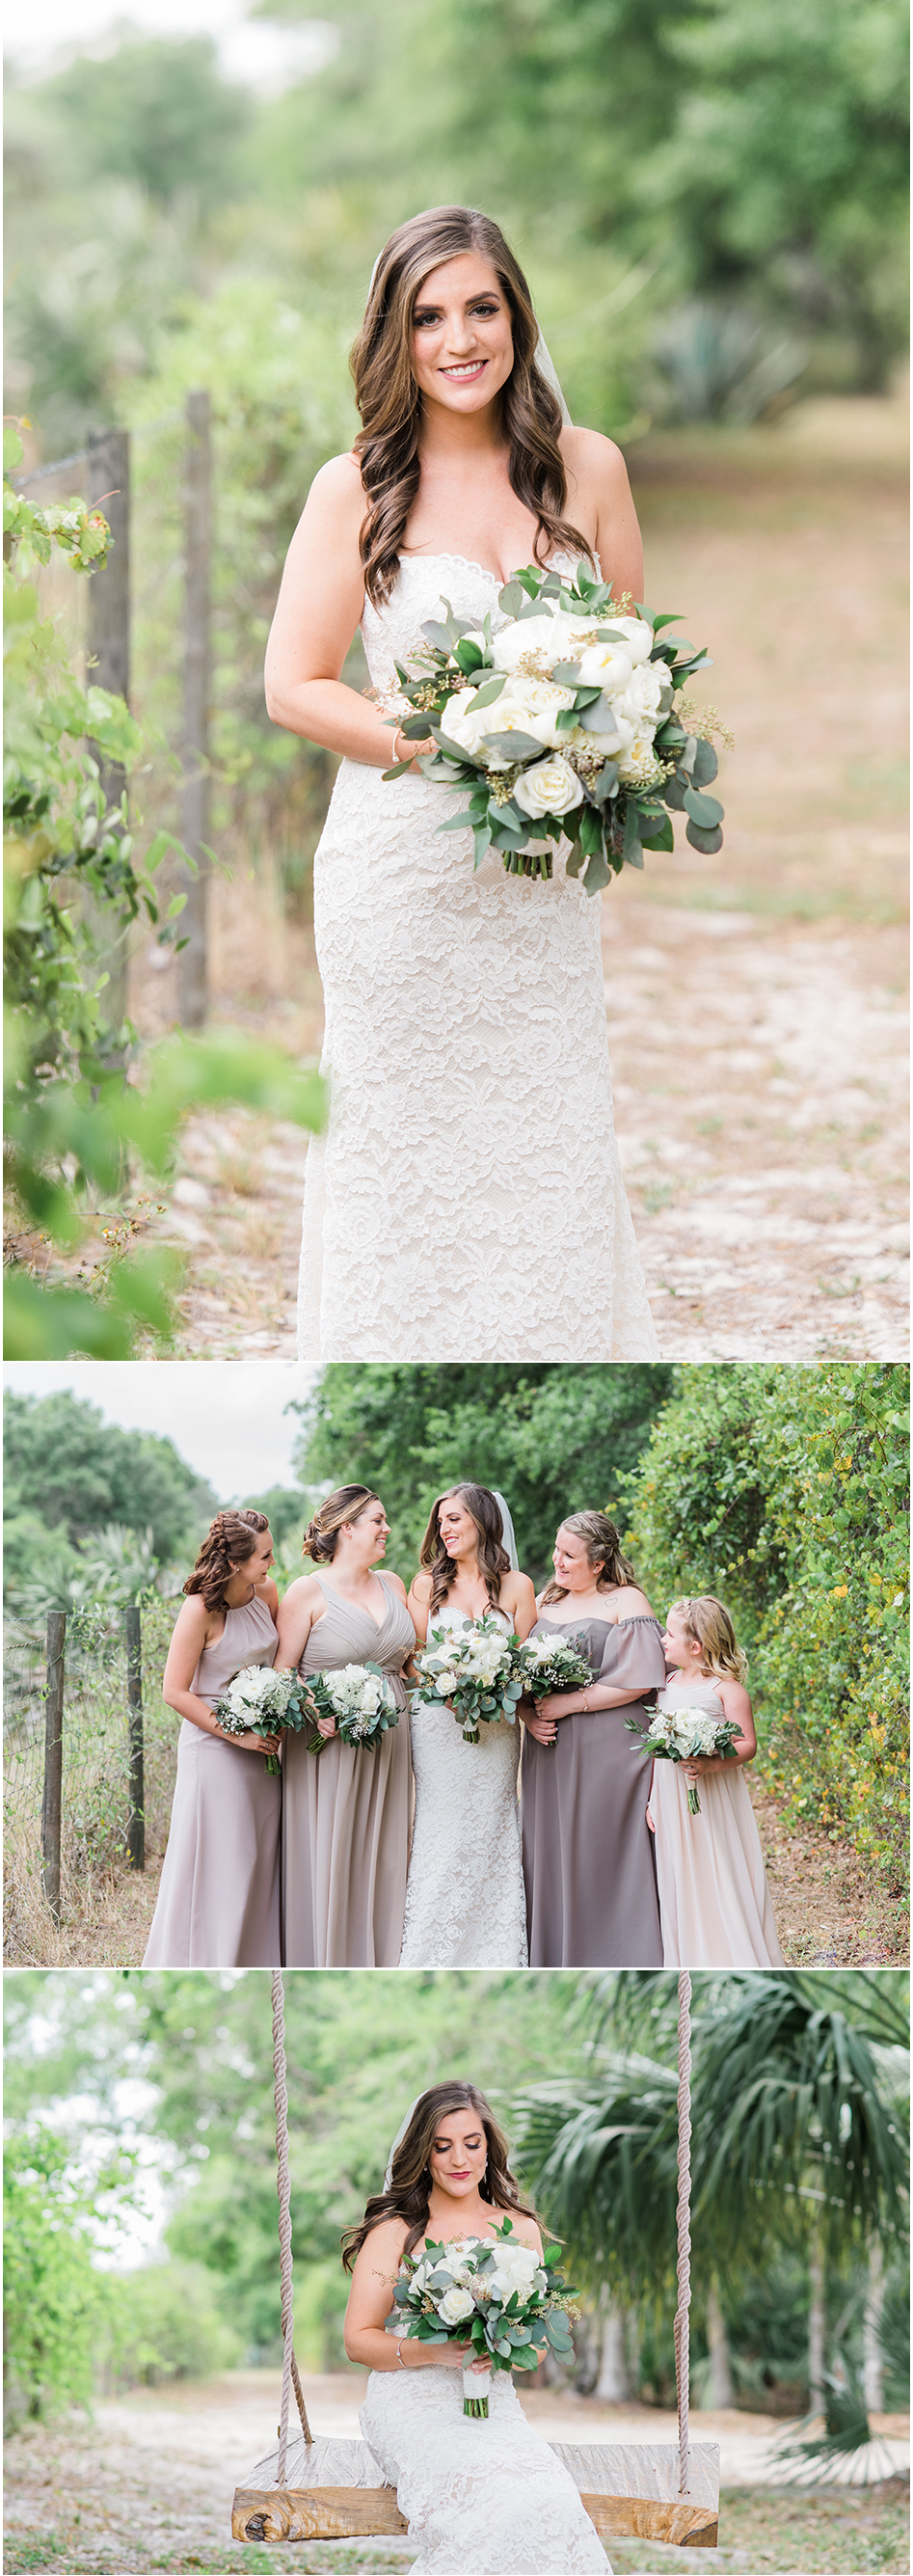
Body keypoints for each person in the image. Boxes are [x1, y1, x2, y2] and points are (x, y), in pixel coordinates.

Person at [264, 203, 658, 1365]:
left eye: (479, 308)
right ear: (395, 335)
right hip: (400, 871)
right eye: (426, 316)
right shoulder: (356, 489)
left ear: (515, 315)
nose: (457, 339)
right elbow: (294, 684)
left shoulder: (588, 469)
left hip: (536, 876)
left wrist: (592, 746)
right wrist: (433, 734)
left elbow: (629, 657)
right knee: (402, 1137)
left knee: (545, 1126)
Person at [343, 2081, 607, 2574]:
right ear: (423, 2154)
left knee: (550, 2500)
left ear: (489, 2148)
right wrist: (435, 2352)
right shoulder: (396, 2230)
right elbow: (358, 2340)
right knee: (494, 2508)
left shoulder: (520, 2230)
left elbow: (538, 2349)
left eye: (472, 2143)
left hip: (495, 2410)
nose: (458, 2159)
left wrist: (501, 2343)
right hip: (410, 2407)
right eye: (442, 2146)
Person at [276, 1486, 415, 1966]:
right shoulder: (306, 1592)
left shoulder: (395, 1584)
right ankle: (328, 1952)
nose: (386, 1529)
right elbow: (283, 1672)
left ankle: (380, 1956)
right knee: (333, 1854)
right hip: (329, 1743)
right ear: (347, 1528)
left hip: (392, 1741)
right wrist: (317, 1707)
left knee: (386, 1854)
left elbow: (408, 1663)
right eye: (377, 1520)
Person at [521, 1510, 666, 1966]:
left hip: (610, 1749)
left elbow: (640, 1680)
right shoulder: (546, 1600)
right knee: (554, 1853)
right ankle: (561, 1952)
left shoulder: (625, 1601)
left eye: (569, 1555)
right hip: (549, 1752)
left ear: (599, 1562)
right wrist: (528, 1715)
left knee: (601, 1850)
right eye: (557, 1549)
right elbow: (516, 1674)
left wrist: (570, 1703)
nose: (557, 1560)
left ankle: (619, 1949)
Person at [401, 1485, 536, 1967]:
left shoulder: (517, 1586)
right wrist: (451, 1688)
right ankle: (430, 1948)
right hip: (439, 1729)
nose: (445, 1529)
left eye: (455, 1519)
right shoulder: (425, 1585)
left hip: (497, 1733)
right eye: (441, 1521)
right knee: (444, 1827)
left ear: (481, 1521)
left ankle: (495, 1950)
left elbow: (526, 1665)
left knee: (493, 1826)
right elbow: (411, 1659)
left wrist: (495, 1691)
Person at [143, 1510, 281, 1968]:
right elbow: (174, 1691)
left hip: (263, 1749)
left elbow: (278, 1667)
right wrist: (236, 1736)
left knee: (257, 1858)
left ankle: (250, 1955)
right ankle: (204, 1954)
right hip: (215, 1747)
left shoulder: (268, 1595)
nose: (272, 1563)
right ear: (238, 1562)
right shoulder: (201, 1608)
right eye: (264, 1556)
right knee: (223, 1860)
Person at [649, 1596, 785, 1967]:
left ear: (695, 1647)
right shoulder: (665, 1682)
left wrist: (710, 1763)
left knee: (716, 1866)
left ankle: (729, 1945)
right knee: (680, 1871)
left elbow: (747, 1745)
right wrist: (653, 1801)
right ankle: (691, 1950)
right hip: (671, 1794)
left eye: (670, 1634)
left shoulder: (726, 1690)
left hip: (712, 1795)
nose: (663, 1638)